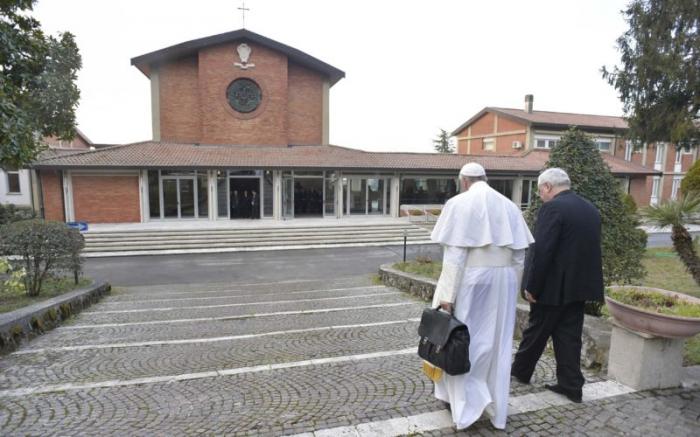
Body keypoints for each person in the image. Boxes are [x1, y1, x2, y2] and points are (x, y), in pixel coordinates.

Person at [430, 162, 534, 430]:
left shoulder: (458, 203)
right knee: (498, 343)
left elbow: (454, 256)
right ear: (484, 178)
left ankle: (463, 410)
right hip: (505, 280)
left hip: (473, 279)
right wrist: (516, 289)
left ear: (464, 181)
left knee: (464, 341)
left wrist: (446, 295)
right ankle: (497, 411)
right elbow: (520, 255)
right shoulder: (510, 205)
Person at [511, 168, 604, 403]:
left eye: (540, 190)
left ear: (548, 187)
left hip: (552, 288)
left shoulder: (552, 208)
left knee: (536, 332)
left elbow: (542, 251)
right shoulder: (590, 208)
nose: (540, 195)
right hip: (578, 288)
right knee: (569, 336)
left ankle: (520, 372)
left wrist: (532, 285)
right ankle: (571, 385)